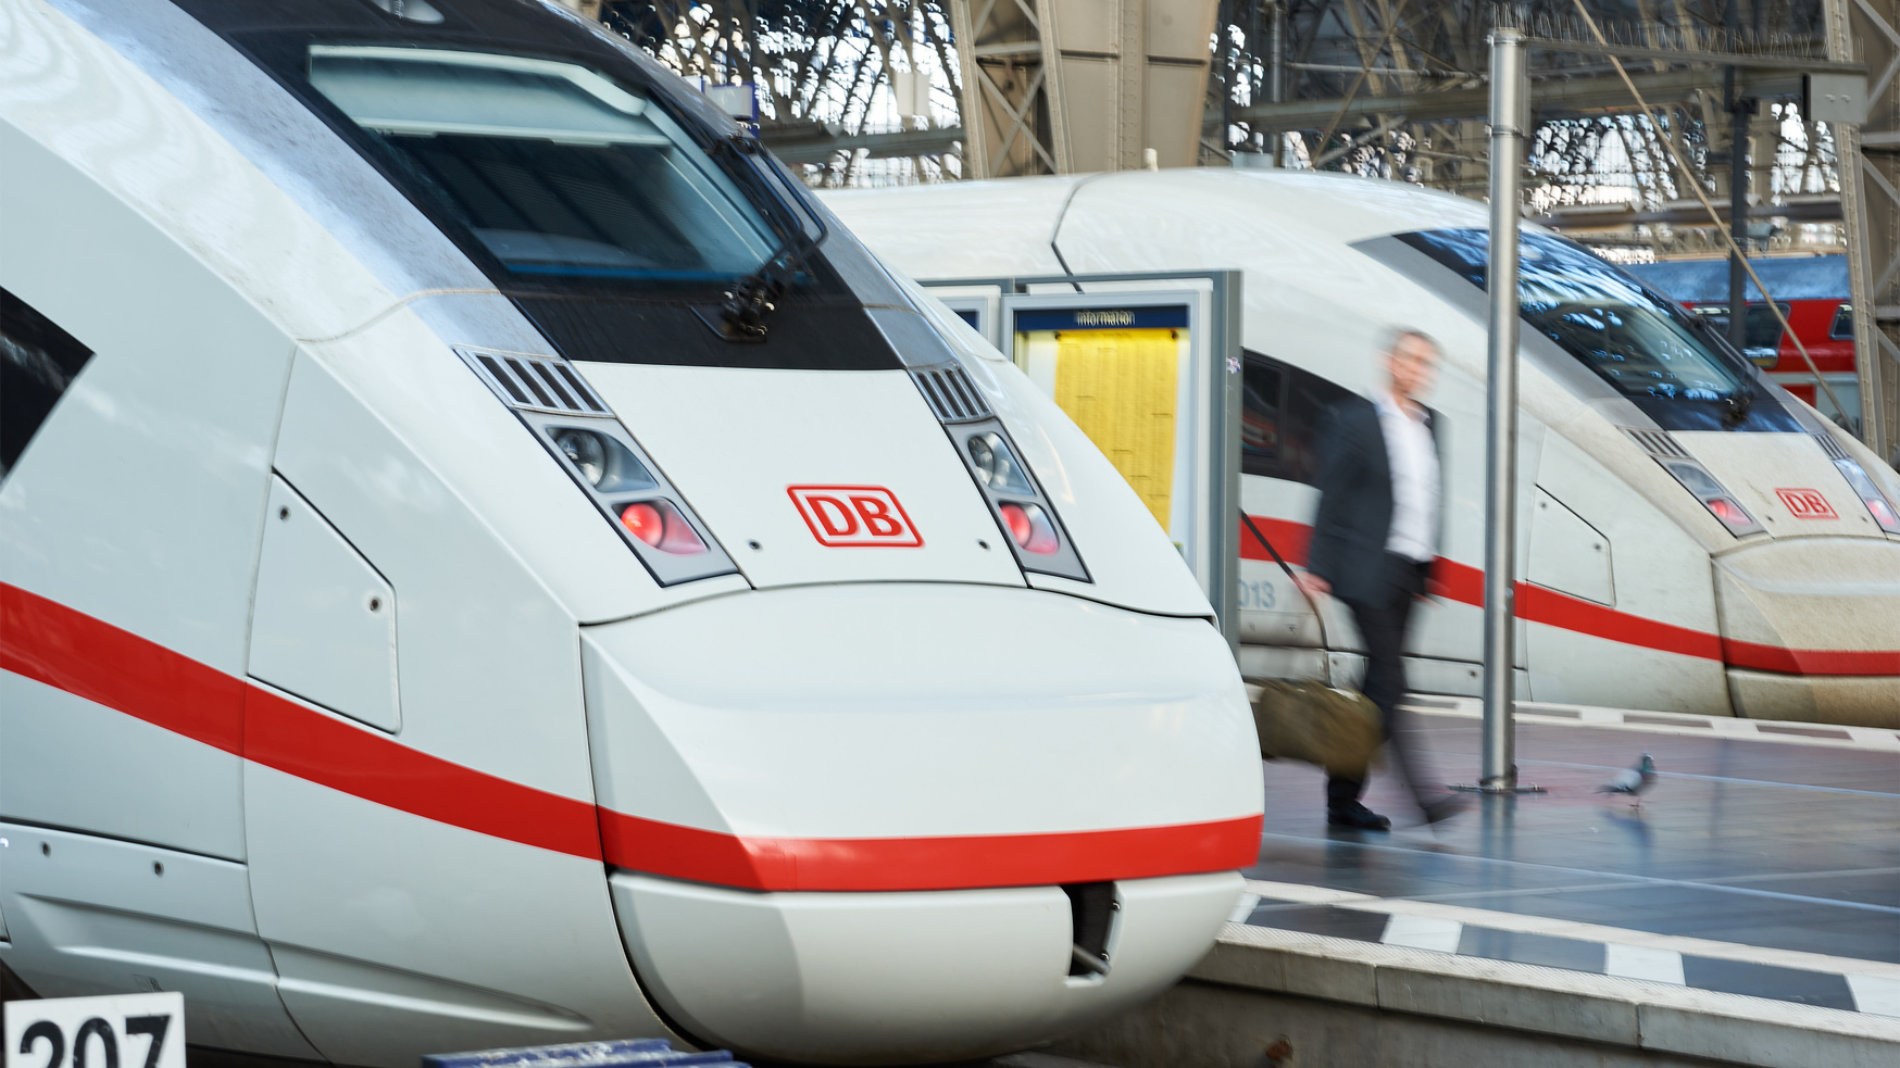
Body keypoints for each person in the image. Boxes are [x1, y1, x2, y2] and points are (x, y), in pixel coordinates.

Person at [1295, 328, 1468, 830]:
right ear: (1389, 361)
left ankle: (1342, 798)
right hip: (1363, 567)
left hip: (1407, 572)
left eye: (1426, 363)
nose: (1418, 370)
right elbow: (1332, 493)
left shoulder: (1432, 424)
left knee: (1378, 690)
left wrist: (1429, 572)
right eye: (1410, 359)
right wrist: (1317, 567)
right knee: (1392, 680)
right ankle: (1424, 799)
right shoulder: (1354, 420)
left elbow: (1430, 499)